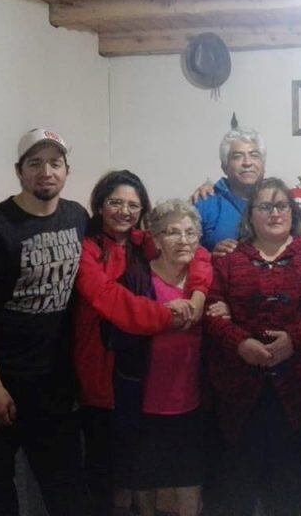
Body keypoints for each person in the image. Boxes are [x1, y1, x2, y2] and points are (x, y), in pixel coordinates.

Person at [0, 128, 90, 516]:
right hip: (0, 378)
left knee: (66, 488)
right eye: (35, 163)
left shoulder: (77, 217)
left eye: (55, 162)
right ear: (19, 171)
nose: (45, 171)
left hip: (53, 382)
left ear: (66, 170)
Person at [72, 171, 211, 516]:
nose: (124, 210)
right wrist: (169, 315)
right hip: (98, 368)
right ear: (100, 204)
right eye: (116, 202)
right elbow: (109, 299)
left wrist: (198, 294)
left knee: (133, 471)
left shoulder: (140, 241)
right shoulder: (87, 247)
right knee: (108, 471)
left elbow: (197, 253)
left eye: (133, 204)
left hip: (133, 376)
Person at [205, 177, 301, 516]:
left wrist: (295, 339)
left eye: (281, 205)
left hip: (298, 382)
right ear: (250, 215)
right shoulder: (229, 258)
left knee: (290, 478)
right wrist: (240, 343)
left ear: (292, 212)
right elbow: (211, 308)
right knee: (240, 474)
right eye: (264, 206)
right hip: (240, 384)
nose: (274, 212)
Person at [107, 200, 212, 516]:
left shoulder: (204, 279)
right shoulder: (137, 279)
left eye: (190, 233)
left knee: (189, 478)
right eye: (173, 232)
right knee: (145, 481)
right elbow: (118, 333)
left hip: (192, 400)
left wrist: (222, 311)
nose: (183, 240)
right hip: (144, 401)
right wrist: (163, 313)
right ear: (154, 238)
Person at [195, 122, 265, 255]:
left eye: (254, 155)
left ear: (263, 164)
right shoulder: (205, 203)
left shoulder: (279, 202)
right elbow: (181, 257)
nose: (247, 163)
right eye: (237, 156)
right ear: (224, 166)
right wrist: (211, 258)